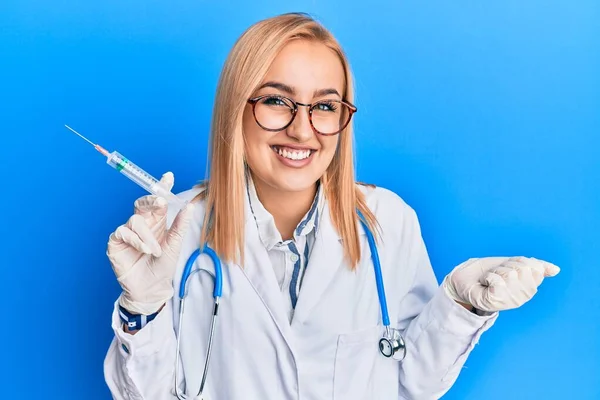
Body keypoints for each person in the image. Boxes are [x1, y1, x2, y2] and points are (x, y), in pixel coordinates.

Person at [103, 12, 560, 400]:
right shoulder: (174, 231)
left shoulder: (388, 222)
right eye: (278, 101)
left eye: (325, 106)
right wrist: (141, 307)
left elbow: (411, 384)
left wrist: (460, 304)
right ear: (235, 109)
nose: (303, 131)